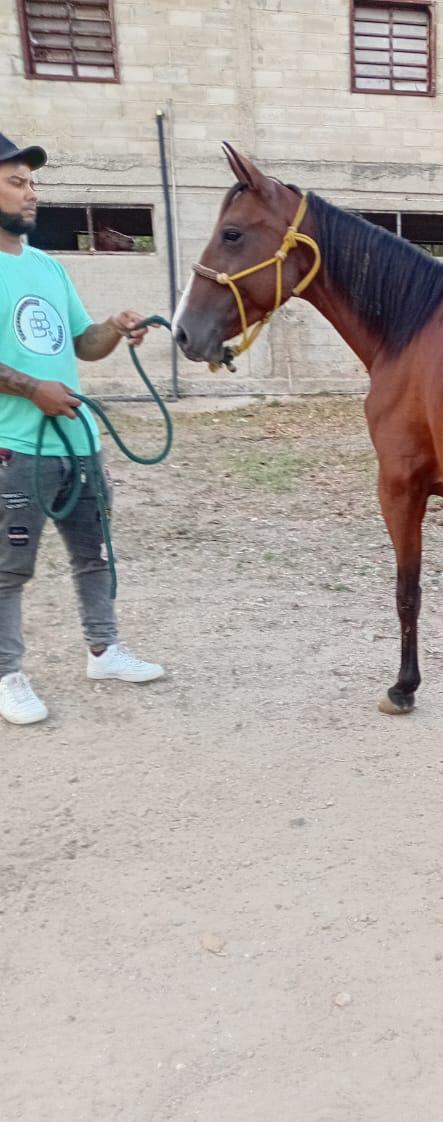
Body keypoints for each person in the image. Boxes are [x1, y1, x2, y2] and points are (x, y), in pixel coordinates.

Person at [0, 132, 164, 726]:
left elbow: (81, 346)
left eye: (33, 184)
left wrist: (115, 327)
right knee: (8, 569)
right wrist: (30, 389)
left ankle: (104, 649)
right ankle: (7, 674)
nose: (31, 195)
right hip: (16, 448)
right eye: (17, 183)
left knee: (94, 554)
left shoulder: (46, 265)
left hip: (78, 441)